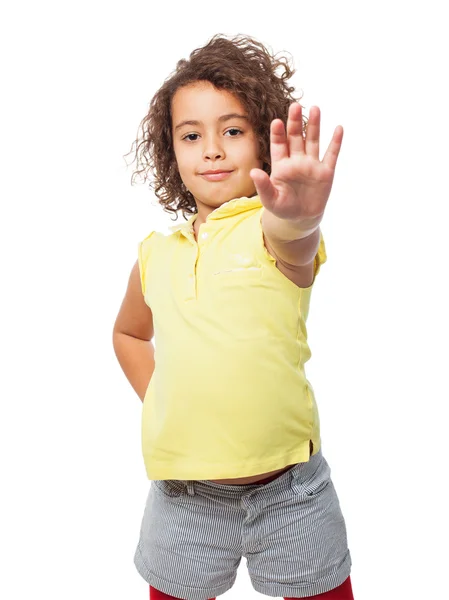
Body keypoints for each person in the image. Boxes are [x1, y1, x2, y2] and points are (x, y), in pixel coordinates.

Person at [113, 34, 354, 600]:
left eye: (233, 131)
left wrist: (300, 219)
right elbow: (127, 333)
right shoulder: (156, 253)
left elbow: (294, 247)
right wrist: (165, 397)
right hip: (183, 499)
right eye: (192, 136)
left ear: (263, 144)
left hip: (290, 495)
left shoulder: (269, 227)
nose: (212, 150)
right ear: (171, 152)